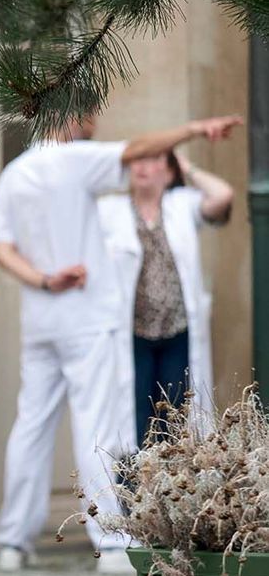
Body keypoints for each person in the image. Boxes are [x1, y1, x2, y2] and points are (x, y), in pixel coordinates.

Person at [0, 114, 242, 574]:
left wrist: (45, 280)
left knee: (30, 426)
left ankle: (12, 541)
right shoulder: (76, 159)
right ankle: (109, 541)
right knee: (97, 428)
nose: (95, 124)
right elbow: (141, 143)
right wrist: (193, 129)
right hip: (87, 318)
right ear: (74, 117)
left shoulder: (13, 173)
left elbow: (2, 250)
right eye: (90, 115)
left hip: (41, 317)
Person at [98, 147, 234, 451]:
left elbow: (223, 195)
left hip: (177, 334)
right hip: (132, 335)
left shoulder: (182, 205)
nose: (143, 166)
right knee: (133, 422)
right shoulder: (110, 210)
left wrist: (188, 168)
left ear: (169, 171)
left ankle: (170, 494)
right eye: (138, 159)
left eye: (154, 159)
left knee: (174, 418)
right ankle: (131, 495)